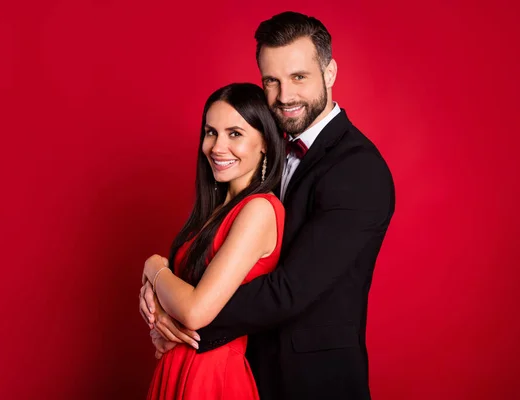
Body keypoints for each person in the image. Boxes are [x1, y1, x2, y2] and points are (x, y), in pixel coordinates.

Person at [141, 11, 395, 400]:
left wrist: (183, 315)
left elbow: (289, 289)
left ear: (329, 73)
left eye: (298, 77)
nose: (284, 96)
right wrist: (160, 285)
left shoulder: (359, 169)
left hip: (316, 382)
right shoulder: (260, 152)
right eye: (271, 81)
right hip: (248, 370)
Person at [141, 82, 286, 399]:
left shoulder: (259, 209)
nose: (217, 146)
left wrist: (153, 267)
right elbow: (181, 300)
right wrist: (160, 313)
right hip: (176, 364)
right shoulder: (216, 209)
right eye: (211, 132)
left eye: (235, 133)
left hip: (210, 375)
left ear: (265, 142)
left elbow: (195, 311)